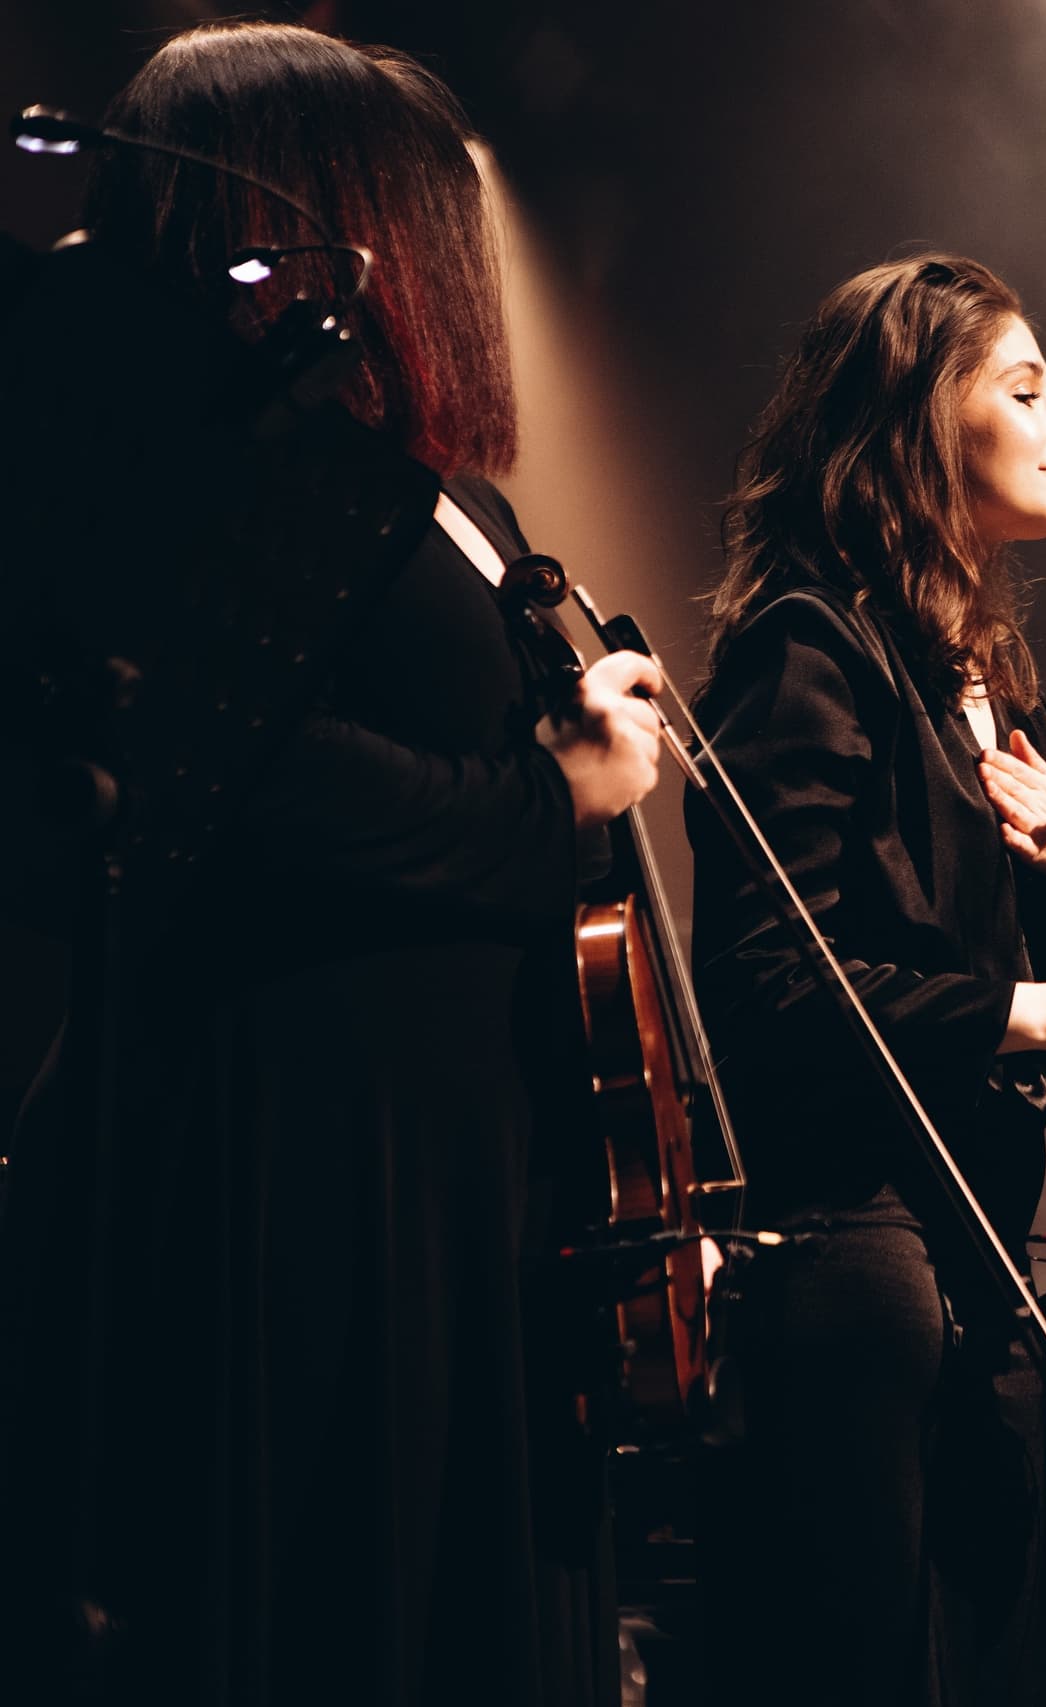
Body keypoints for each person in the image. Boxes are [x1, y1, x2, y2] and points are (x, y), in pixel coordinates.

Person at [0, 23, 665, 1706]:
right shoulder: (226, 461)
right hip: (309, 1146)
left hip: (457, 1150)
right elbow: (225, 774)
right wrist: (552, 793)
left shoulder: (437, 495)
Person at [685, 253, 1046, 1705]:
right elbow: (765, 979)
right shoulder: (809, 646)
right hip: (860, 1242)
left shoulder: (972, 671)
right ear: (923, 422)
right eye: (1031, 389)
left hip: (974, 1241)